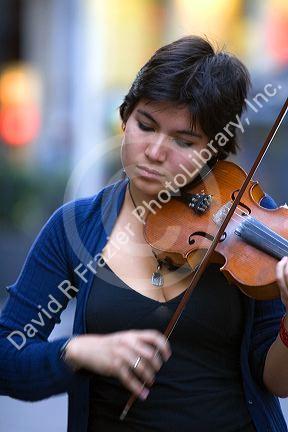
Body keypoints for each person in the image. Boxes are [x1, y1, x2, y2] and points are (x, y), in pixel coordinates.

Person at [0, 35, 288, 432]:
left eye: (184, 141)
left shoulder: (249, 223)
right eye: (146, 125)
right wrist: (78, 351)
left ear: (213, 151)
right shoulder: (76, 228)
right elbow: (7, 358)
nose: (155, 151)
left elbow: (276, 381)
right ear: (125, 117)